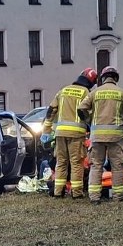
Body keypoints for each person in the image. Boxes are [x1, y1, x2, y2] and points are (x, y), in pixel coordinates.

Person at [41, 67, 99, 199]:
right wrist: (90, 126)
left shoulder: (63, 90)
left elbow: (51, 111)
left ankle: (58, 191)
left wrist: (46, 130)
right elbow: (89, 113)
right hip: (76, 134)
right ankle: (77, 192)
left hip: (60, 133)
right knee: (76, 163)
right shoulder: (86, 92)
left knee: (61, 162)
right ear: (91, 82)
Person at [78, 66, 123, 203]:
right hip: (116, 136)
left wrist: (89, 121)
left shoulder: (95, 93)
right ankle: (118, 196)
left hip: (97, 136)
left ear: (103, 78)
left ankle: (94, 197)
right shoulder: (121, 93)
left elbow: (81, 108)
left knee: (96, 165)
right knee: (117, 166)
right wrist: (121, 123)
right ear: (116, 78)